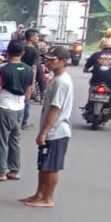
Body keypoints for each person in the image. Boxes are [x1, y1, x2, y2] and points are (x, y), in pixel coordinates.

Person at [22, 46, 74, 209]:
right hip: (52, 130)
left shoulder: (61, 81)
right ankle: (39, 194)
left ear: (63, 61)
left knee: (51, 167)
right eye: (48, 59)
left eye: (53, 60)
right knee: (43, 164)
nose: (49, 63)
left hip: (57, 131)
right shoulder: (56, 78)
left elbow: (55, 108)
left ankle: (48, 198)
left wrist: (44, 131)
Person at [0, 41, 32, 182]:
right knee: (14, 140)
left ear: (7, 52)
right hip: (19, 108)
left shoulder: (3, 70)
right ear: (22, 53)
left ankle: (0, 172)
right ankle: (14, 170)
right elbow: (29, 91)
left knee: (0, 140)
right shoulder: (28, 69)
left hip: (4, 107)